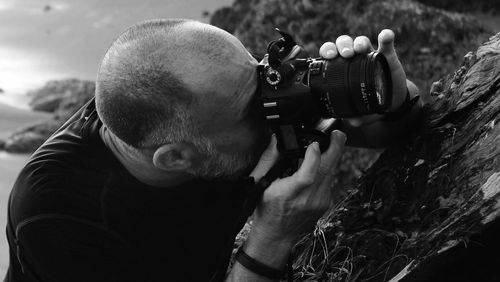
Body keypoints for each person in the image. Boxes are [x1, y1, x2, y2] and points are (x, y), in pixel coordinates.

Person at [4, 19, 422, 282]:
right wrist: (271, 239)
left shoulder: (225, 100)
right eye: (251, 108)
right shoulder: (61, 219)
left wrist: (387, 95)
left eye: (261, 73)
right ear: (176, 157)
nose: (270, 105)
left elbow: (387, 132)